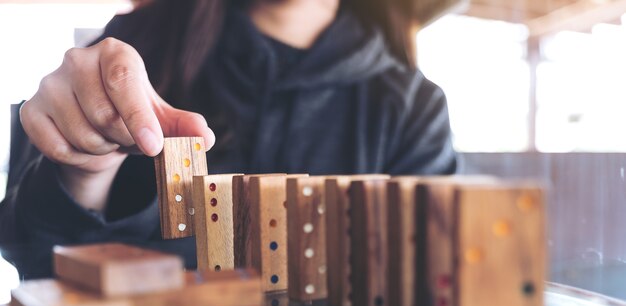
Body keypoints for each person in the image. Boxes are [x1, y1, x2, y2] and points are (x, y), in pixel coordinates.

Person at [0, 0, 457, 270]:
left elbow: (433, 288)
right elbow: (33, 261)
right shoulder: (132, 50)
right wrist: (83, 174)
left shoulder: (414, 107)